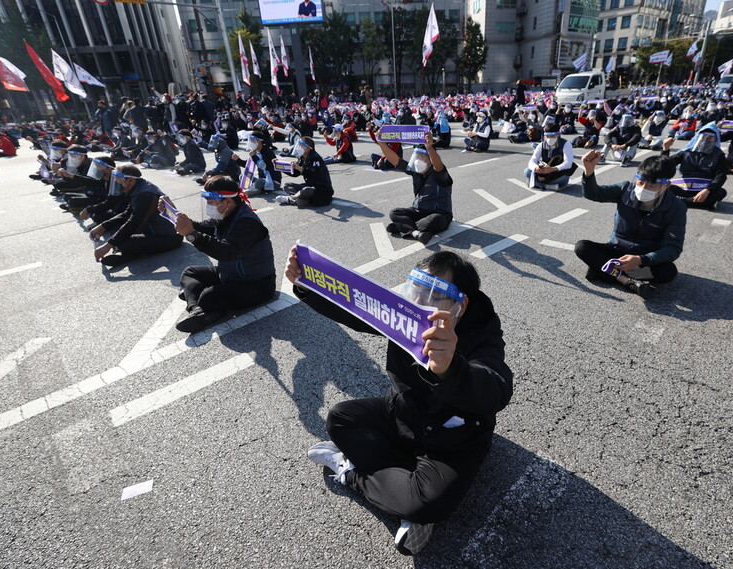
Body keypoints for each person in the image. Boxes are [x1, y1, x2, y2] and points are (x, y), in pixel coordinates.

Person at [287, 248, 512, 556]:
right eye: (416, 290)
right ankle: (401, 484)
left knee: (427, 503)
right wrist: (306, 283)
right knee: (340, 418)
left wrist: (451, 368)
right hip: (404, 412)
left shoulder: (480, 330)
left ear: (461, 306)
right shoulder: (407, 309)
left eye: (434, 295)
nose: (419, 302)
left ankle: (351, 472)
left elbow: (497, 388)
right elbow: (356, 310)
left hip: (454, 436)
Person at [167, 176, 277, 333]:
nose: (208, 206)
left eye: (211, 202)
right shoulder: (226, 214)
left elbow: (226, 252)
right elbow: (203, 227)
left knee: (207, 296)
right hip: (231, 274)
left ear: (228, 201)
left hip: (256, 284)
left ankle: (204, 308)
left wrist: (191, 235)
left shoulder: (247, 223)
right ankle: (198, 310)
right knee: (190, 272)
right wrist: (177, 215)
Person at [574, 150, 686, 299]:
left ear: (666, 186)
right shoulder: (625, 189)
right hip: (617, 249)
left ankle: (605, 269)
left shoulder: (676, 208)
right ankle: (626, 280)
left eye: (651, 186)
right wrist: (588, 171)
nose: (643, 188)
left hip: (644, 257)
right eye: (641, 182)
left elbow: (673, 248)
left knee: (668, 272)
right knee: (582, 247)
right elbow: (594, 194)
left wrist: (641, 259)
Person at [89, 164, 183, 267]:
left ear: (130, 180)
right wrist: (102, 226)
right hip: (153, 230)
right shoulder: (139, 188)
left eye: (119, 179)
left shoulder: (145, 194)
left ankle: (132, 254)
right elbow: (127, 214)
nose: (116, 181)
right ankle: (133, 252)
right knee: (116, 232)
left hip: (169, 237)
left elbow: (134, 222)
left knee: (121, 242)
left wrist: (108, 245)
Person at [375, 131, 453, 245]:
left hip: (439, 214)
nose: (418, 160)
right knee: (394, 213)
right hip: (418, 211)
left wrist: (429, 148)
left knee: (435, 221)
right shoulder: (416, 172)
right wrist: (381, 143)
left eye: (422, 157)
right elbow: (396, 160)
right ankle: (414, 232)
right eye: (417, 156)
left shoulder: (439, 174)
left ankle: (403, 226)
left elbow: (438, 165)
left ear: (430, 160)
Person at [662, 124, 728, 210]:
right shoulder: (686, 152)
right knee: (664, 186)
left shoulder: (719, 155)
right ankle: (700, 203)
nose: (705, 141)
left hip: (703, 190)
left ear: (715, 139)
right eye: (703, 137)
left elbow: (721, 176)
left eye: (709, 138)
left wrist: (707, 190)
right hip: (683, 188)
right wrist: (665, 149)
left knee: (721, 192)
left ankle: (680, 202)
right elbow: (665, 165)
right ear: (697, 137)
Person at [275, 137, 333, 207]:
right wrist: (280, 166)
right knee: (287, 185)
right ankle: (301, 199)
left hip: (321, 189)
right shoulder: (302, 157)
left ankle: (292, 199)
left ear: (308, 148)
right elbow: (295, 173)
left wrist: (300, 168)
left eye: (301, 146)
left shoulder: (316, 158)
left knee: (306, 190)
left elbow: (314, 174)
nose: (299, 148)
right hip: (310, 185)